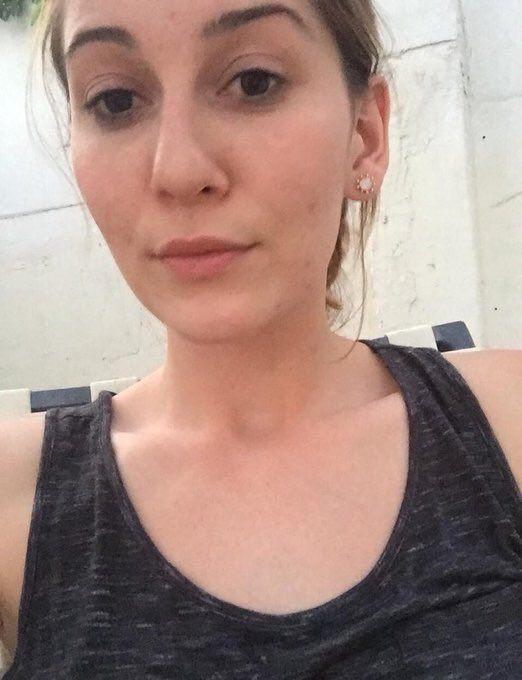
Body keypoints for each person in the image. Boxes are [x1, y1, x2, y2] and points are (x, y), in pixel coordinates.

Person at [1, 1, 520, 677]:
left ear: (365, 133)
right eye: (115, 100)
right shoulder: (16, 499)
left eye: (254, 83)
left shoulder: (507, 422)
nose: (178, 171)